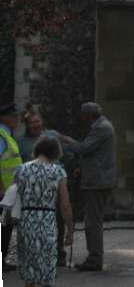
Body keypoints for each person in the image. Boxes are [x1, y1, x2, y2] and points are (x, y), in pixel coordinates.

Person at [59, 103, 115, 273]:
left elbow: (84, 148)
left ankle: (95, 258)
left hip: (97, 183)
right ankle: (94, 257)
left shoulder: (101, 128)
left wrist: (67, 141)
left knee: (92, 222)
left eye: (83, 115)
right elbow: (94, 154)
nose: (81, 119)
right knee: (93, 221)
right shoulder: (101, 126)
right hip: (97, 180)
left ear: (89, 115)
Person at [16, 135, 73, 287]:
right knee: (47, 269)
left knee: (29, 270)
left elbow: (16, 196)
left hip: (26, 221)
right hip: (47, 221)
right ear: (55, 152)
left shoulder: (21, 169)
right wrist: (70, 229)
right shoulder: (58, 172)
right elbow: (65, 204)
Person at [19, 108, 67, 267]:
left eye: (37, 121)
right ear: (26, 125)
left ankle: (59, 252)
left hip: (53, 185)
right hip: (32, 190)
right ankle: (33, 254)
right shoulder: (20, 142)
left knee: (58, 220)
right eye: (32, 123)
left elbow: (66, 152)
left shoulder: (52, 136)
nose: (35, 125)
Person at [1, 101, 22, 273]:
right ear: (5, 118)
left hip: (9, 191)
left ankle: (2, 260)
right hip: (3, 192)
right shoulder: (1, 135)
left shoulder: (8, 134)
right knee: (3, 227)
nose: (16, 119)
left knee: (6, 226)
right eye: (13, 116)